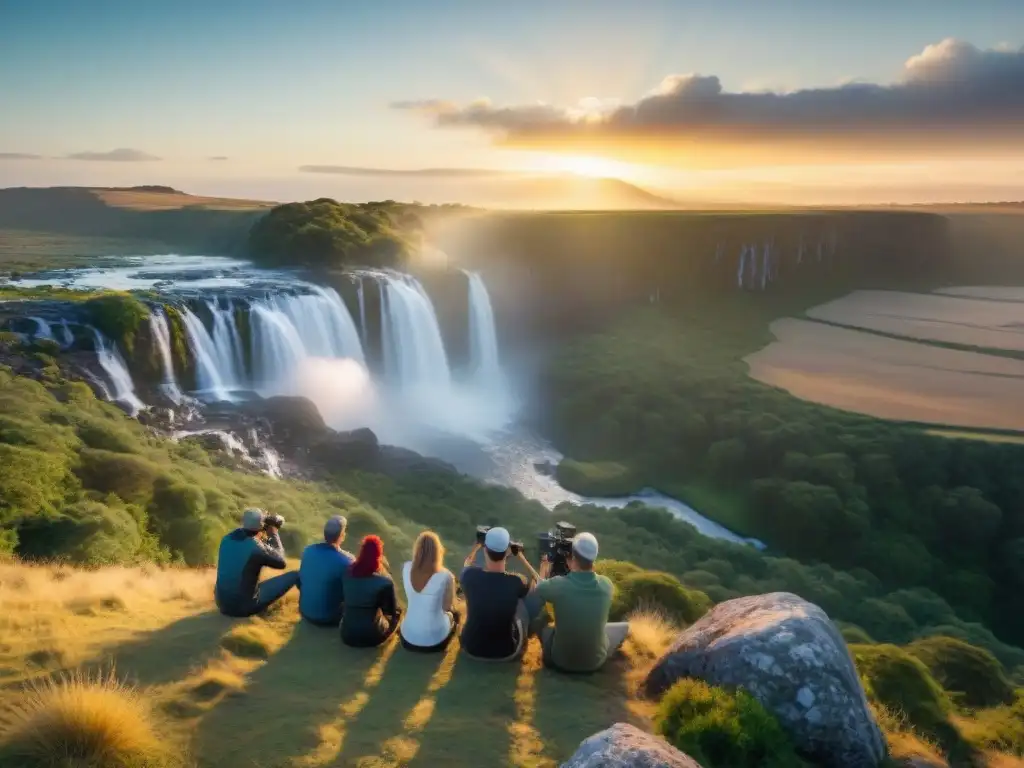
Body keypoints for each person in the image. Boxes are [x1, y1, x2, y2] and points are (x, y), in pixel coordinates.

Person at [533, 532, 628, 673]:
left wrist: (545, 565)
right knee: (618, 628)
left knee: (544, 626)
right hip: (595, 663)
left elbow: (539, 589)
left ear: (573, 557)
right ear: (594, 558)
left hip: (561, 662)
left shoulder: (559, 585)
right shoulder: (607, 585)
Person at [460, 527, 542, 662]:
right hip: (505, 651)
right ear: (507, 552)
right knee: (523, 603)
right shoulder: (517, 581)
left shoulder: (469, 575)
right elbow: (538, 584)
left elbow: (467, 564)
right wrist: (521, 556)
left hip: (471, 648)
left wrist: (477, 545)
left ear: (485, 550)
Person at [214, 508, 298, 617]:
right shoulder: (256, 547)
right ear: (261, 526)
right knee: (295, 575)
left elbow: (247, 539)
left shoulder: (226, 539)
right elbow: (281, 562)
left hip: (221, 604)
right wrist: (273, 534)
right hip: (244, 608)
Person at [399, 531, 459, 652]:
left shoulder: (405, 567)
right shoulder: (446, 575)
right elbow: (447, 607)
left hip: (407, 638)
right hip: (436, 641)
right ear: (438, 551)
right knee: (455, 615)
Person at [340, 535, 401, 647]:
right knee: (398, 613)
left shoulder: (347, 574)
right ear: (379, 556)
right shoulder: (384, 582)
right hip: (373, 637)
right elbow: (390, 611)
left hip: (347, 635)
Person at [298, 515, 353, 626]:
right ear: (342, 535)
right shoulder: (347, 561)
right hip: (328, 619)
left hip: (304, 611)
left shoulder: (308, 550)